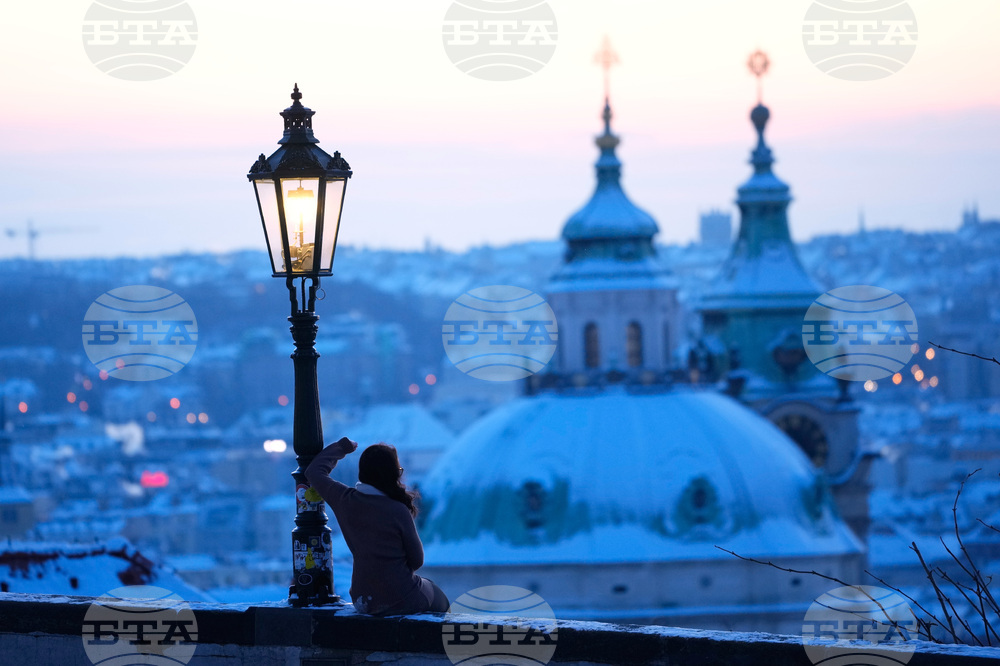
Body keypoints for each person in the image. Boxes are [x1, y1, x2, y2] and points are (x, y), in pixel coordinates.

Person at [305, 436, 450, 615]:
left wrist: (342, 448)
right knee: (439, 599)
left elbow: (314, 472)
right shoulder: (397, 510)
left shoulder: (345, 500)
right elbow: (417, 560)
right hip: (401, 597)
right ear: (392, 474)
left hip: (363, 599)